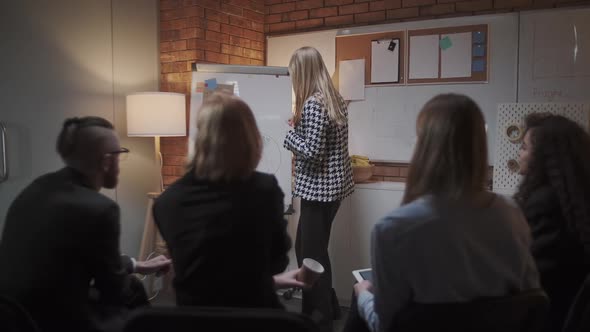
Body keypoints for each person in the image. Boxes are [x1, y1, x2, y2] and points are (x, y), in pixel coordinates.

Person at [346, 94, 540, 332]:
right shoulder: (512, 215)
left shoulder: (393, 229)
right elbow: (532, 300)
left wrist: (363, 295)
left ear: (424, 147)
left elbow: (384, 326)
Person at [0, 116, 171, 332]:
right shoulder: (100, 209)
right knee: (135, 300)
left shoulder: (37, 188)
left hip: (13, 316)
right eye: (120, 154)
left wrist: (137, 265)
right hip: (54, 321)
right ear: (107, 161)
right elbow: (113, 291)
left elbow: (69, 257)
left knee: (134, 285)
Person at [153, 92, 305, 309]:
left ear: (201, 140)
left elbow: (194, 273)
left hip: (193, 322)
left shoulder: (167, 202)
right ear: (250, 138)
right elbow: (276, 262)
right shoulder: (265, 190)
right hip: (255, 318)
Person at [283, 46, 354, 332]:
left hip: (317, 190)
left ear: (303, 73)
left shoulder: (313, 103)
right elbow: (322, 142)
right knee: (311, 250)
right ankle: (331, 307)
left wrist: (289, 136)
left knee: (311, 256)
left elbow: (313, 151)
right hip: (333, 190)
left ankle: (318, 317)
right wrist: (299, 128)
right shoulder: (334, 100)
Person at [515, 113, 590, 331]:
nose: (519, 153)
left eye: (525, 147)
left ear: (544, 157)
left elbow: (533, 278)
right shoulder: (574, 198)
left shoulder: (545, 203)